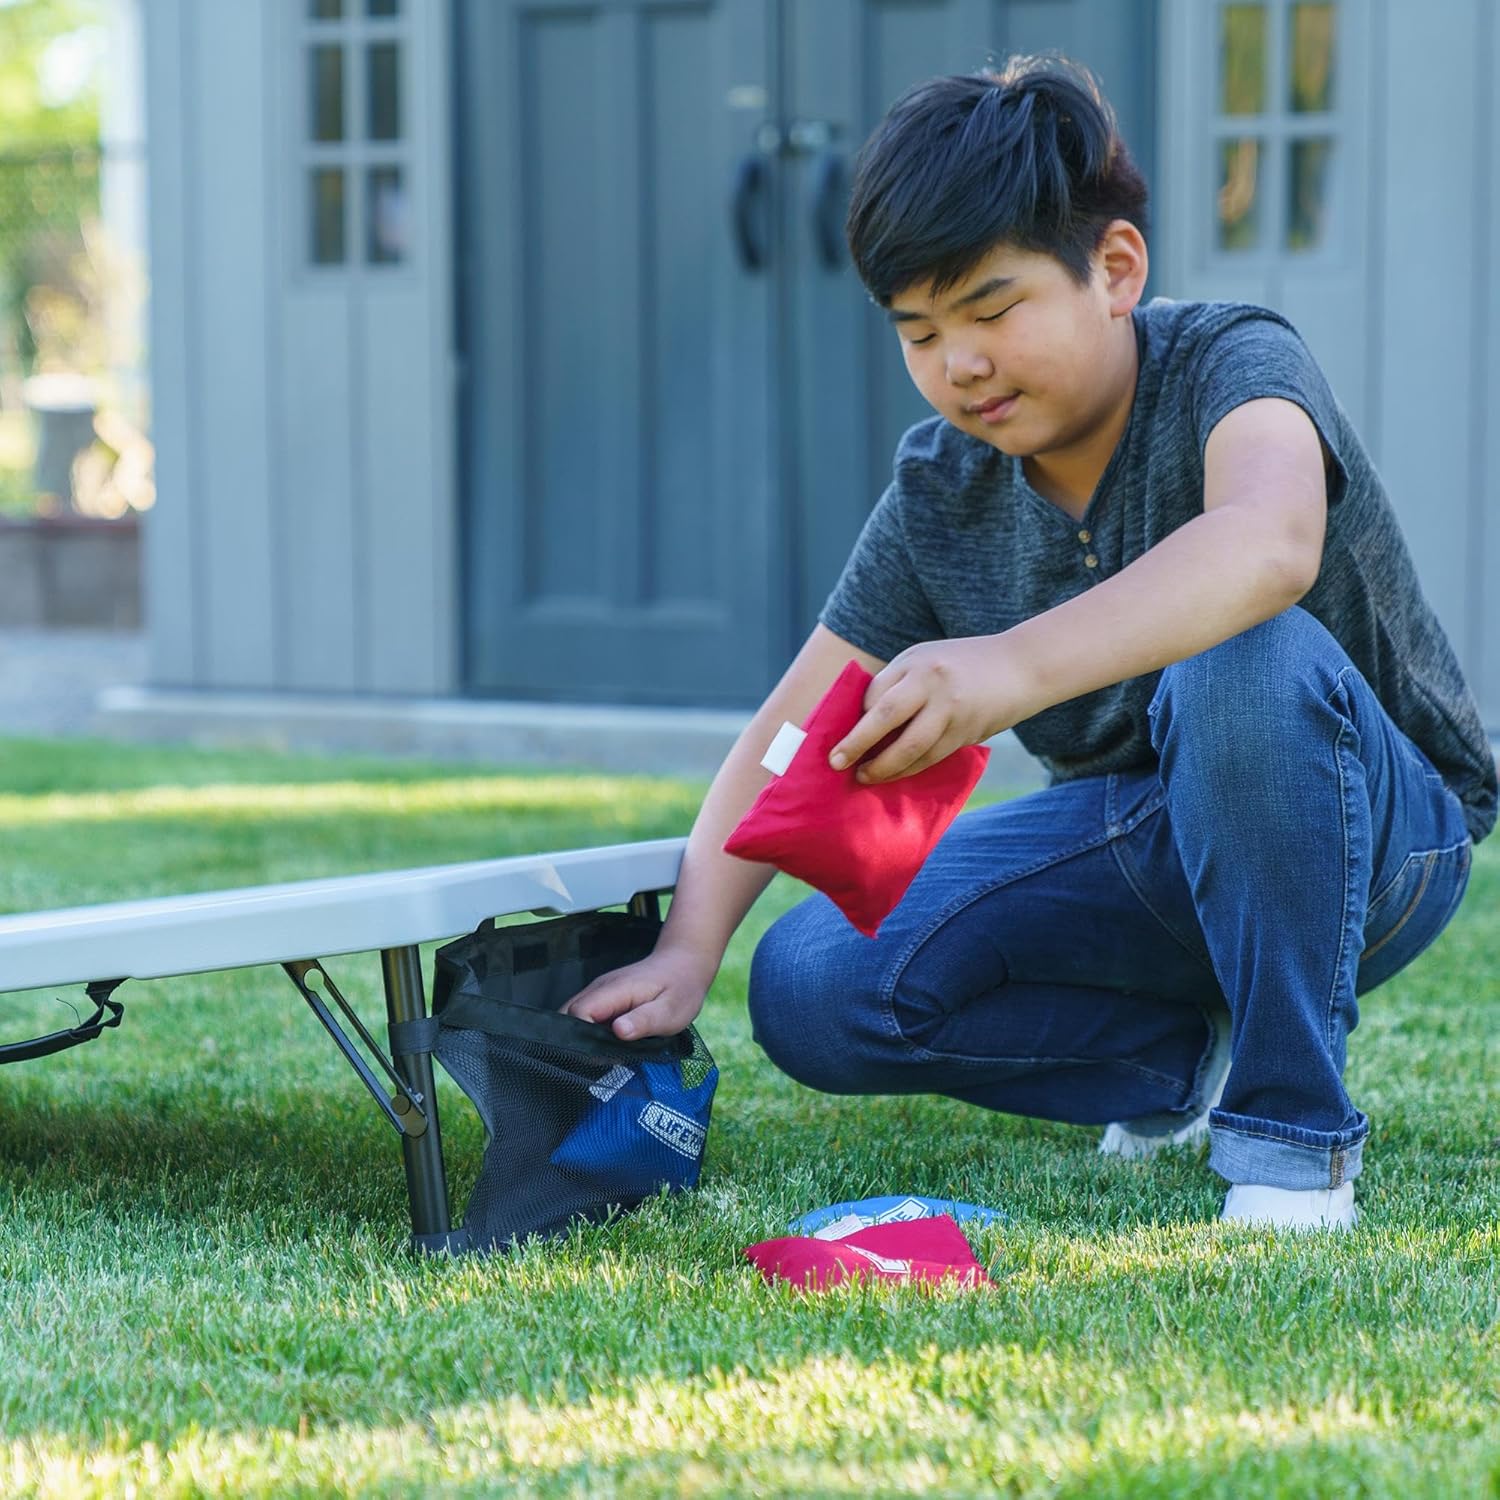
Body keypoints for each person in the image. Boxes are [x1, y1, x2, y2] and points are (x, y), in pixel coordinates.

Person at [564, 54, 1495, 1231]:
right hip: (1136, 851)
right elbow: (798, 727)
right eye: (919, 331)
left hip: (1376, 839)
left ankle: (1289, 1144)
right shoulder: (939, 490)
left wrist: (1008, 667)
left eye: (993, 310)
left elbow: (1270, 544)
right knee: (808, 984)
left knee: (1243, 656)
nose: (960, 363)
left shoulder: (1234, 363)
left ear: (1115, 270)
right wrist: (689, 946)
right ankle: (1168, 1066)